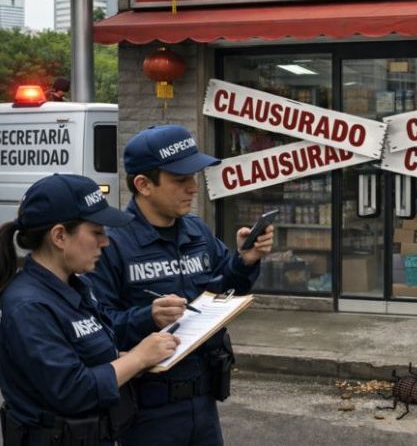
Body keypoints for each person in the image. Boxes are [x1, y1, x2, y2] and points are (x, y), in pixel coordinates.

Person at [88, 124, 274, 446]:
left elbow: (221, 293)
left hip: (203, 402)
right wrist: (147, 317)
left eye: (194, 177)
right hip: (146, 411)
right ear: (144, 184)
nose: (193, 188)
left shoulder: (196, 231)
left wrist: (245, 261)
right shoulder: (111, 245)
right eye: (180, 179)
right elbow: (93, 331)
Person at [0, 174, 179, 446]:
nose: (105, 242)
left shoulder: (76, 286)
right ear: (59, 236)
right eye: (96, 232)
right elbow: (72, 389)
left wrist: (125, 356)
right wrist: (138, 359)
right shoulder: (28, 306)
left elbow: (86, 352)